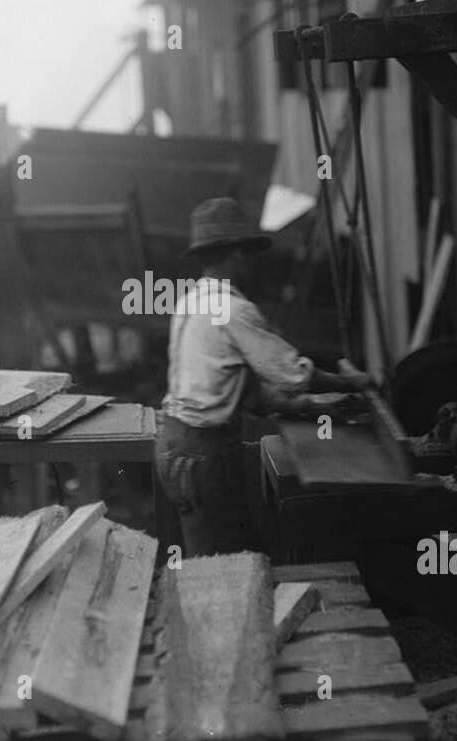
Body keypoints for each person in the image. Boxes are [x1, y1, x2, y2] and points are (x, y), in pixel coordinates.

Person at [155, 197, 371, 557]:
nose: (254, 263)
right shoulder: (234, 309)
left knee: (213, 557)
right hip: (204, 457)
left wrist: (310, 407)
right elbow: (291, 373)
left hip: (174, 447)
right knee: (226, 567)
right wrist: (349, 382)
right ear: (236, 254)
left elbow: (245, 393)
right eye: (249, 253)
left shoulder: (190, 301)